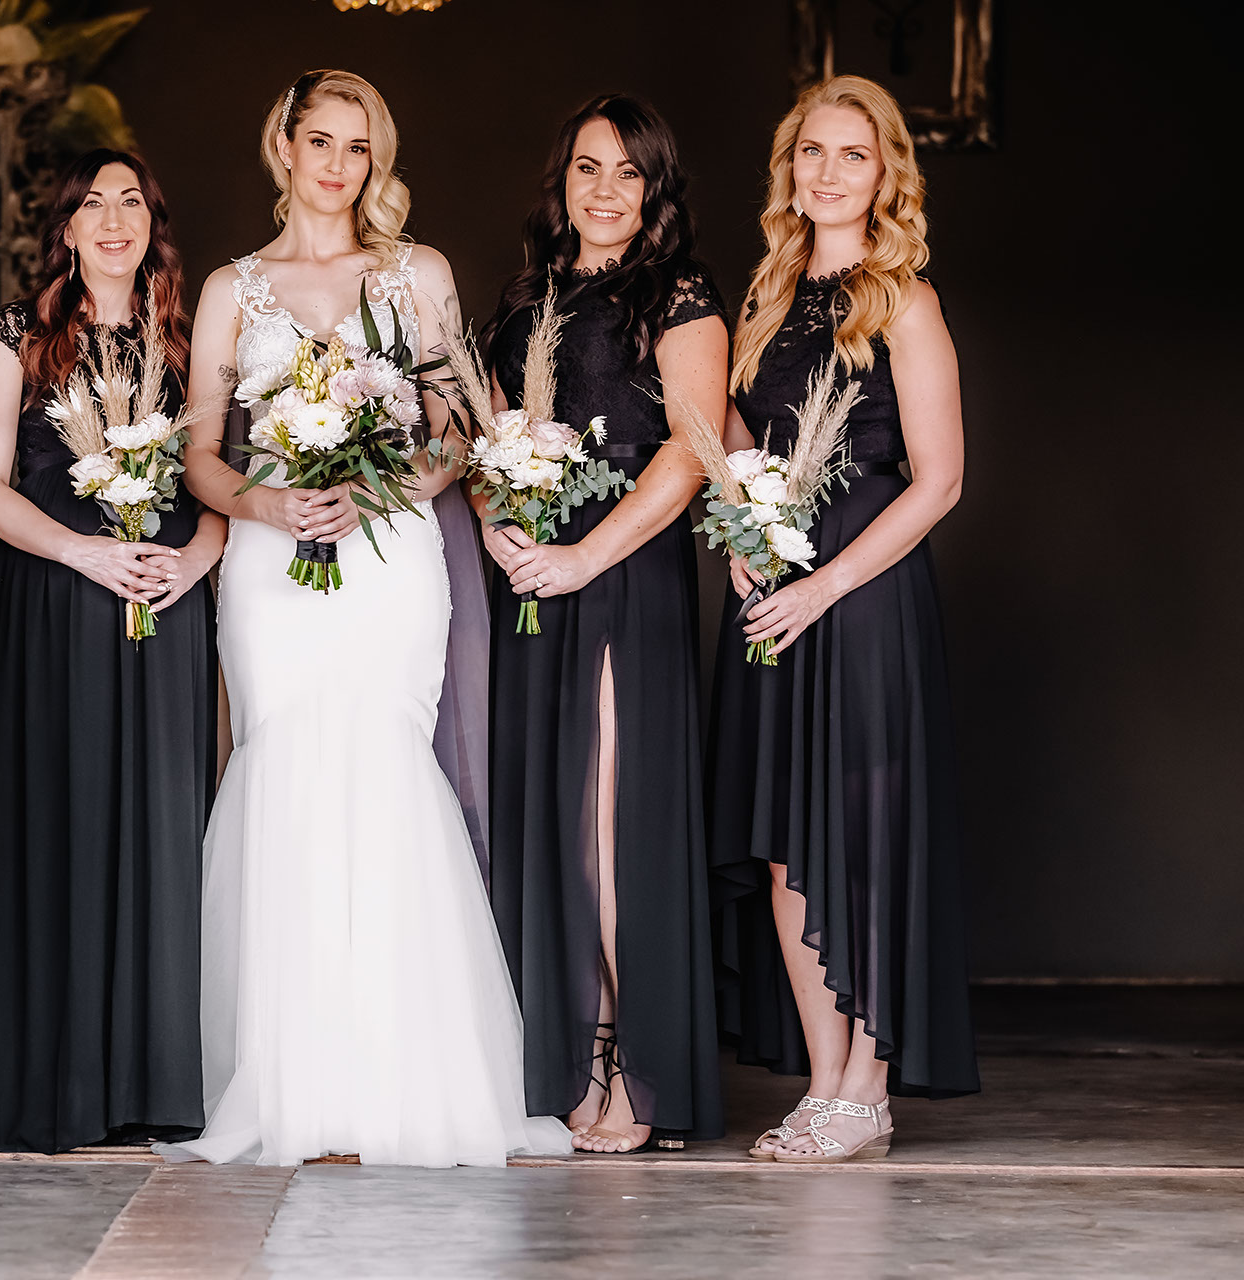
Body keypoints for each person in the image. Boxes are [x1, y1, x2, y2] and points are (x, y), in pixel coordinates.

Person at [160, 69, 570, 1168]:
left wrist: (381, 489)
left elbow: (456, 432)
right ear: (283, 147)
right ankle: (288, 1080)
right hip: (270, 559)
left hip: (390, 558)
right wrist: (266, 503)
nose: (339, 166)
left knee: (387, 765)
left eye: (360, 147)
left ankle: (407, 1079)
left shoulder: (416, 274)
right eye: (321, 142)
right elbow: (201, 453)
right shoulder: (232, 289)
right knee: (283, 765)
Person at [0, 151, 223, 1153]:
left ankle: (150, 1081)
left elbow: (224, 480)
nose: (113, 219)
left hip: (164, 604)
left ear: (152, 224)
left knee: (160, 830)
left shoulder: (192, 337)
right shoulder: (18, 333)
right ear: (66, 227)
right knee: (60, 818)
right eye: (93, 204)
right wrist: (83, 551)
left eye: (132, 202)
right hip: (54, 599)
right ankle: (57, 1077)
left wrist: (193, 563)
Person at [709, 74, 979, 1164]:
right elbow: (733, 433)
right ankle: (825, 1082)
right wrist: (741, 528)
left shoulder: (903, 298)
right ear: (789, 169)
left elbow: (940, 479)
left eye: (852, 155)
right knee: (788, 847)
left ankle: (868, 1089)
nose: (827, 171)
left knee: (858, 841)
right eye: (811, 152)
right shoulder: (765, 295)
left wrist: (827, 584)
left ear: (885, 175)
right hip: (773, 588)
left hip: (863, 599)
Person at [481, 94, 727, 1154]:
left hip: (624, 567)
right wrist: (499, 525)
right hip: (533, 570)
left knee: (612, 817)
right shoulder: (525, 294)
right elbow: (490, 436)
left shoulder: (680, 291)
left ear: (655, 187)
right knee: (552, 818)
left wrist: (585, 556)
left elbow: (692, 445)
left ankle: (637, 1059)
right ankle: (571, 1045)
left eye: (629, 172)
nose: (606, 190)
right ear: (564, 178)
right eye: (589, 167)